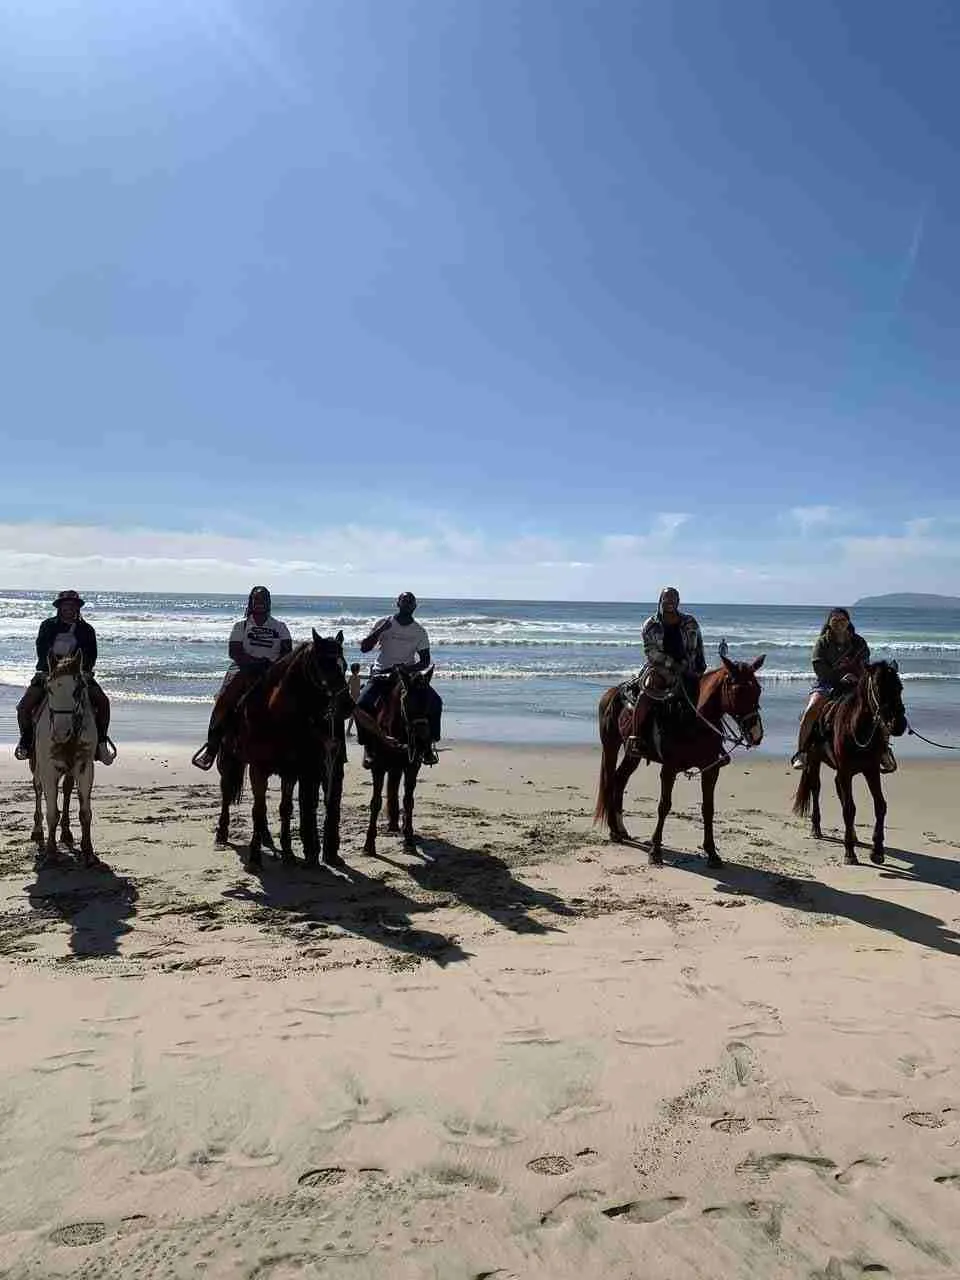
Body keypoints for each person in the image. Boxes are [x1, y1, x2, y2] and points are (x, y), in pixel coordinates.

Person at [191, 586, 292, 770]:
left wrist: (271, 666)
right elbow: (234, 652)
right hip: (244, 670)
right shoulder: (241, 626)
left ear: (268, 602)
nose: (259, 603)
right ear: (251, 602)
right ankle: (211, 748)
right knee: (224, 700)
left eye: (262, 600)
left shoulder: (280, 627)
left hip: (272, 671)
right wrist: (255, 663)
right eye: (256, 600)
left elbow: (287, 652)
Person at [15, 590, 114, 764]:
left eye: (73, 605)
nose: (69, 608)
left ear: (77, 608)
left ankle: (101, 742)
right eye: (65, 605)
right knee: (24, 706)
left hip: (79, 675)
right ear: (59, 608)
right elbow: (42, 650)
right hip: (49, 674)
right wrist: (53, 669)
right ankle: (26, 742)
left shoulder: (87, 630)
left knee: (103, 702)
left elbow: (91, 655)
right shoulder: (48, 626)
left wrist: (84, 670)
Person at [791, 607, 896, 772]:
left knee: (880, 708)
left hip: (855, 682)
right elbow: (818, 666)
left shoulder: (859, 642)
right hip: (827, 683)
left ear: (848, 622)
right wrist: (838, 678)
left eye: (842, 620)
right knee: (811, 710)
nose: (839, 623)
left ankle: (884, 751)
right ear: (829, 623)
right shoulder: (822, 642)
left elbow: (864, 663)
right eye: (835, 620)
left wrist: (857, 676)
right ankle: (801, 752)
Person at [355, 592, 442, 766]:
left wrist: (406, 669)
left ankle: (428, 746)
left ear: (415, 606)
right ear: (397, 604)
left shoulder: (419, 631)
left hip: (406, 676)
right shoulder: (384, 623)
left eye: (410, 602)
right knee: (362, 704)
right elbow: (364, 648)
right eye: (404, 601)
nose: (407, 605)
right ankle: (368, 747)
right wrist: (381, 630)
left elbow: (424, 661)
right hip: (381, 673)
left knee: (435, 702)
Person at [628, 587, 707, 745]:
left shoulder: (690, 622)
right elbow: (651, 652)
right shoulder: (650, 625)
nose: (669, 602)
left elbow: (698, 646)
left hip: (688, 667)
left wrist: (697, 666)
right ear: (660, 601)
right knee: (647, 693)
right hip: (660, 668)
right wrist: (673, 665)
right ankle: (636, 737)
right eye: (666, 599)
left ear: (678, 602)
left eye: (673, 599)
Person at [346, 663, 362, 736]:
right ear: (356, 670)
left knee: (353, 717)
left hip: (353, 698)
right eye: (358, 669)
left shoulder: (351, 677)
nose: (359, 670)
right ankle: (351, 732)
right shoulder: (357, 678)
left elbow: (348, 687)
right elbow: (356, 690)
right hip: (356, 699)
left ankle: (348, 731)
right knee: (356, 717)